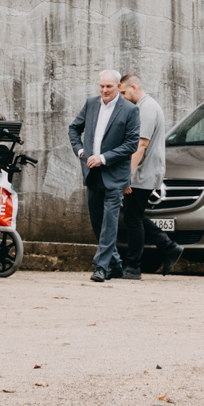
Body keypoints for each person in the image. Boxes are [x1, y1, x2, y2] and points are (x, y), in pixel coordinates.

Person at [67, 70, 139, 282]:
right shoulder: (91, 103)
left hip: (115, 174)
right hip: (92, 172)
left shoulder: (130, 110)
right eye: (102, 86)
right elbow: (74, 128)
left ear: (118, 87)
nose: (105, 90)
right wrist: (81, 152)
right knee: (97, 221)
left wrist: (104, 158)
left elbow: (131, 144)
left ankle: (101, 267)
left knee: (110, 221)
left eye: (109, 86)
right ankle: (115, 263)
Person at [116, 73, 181, 279]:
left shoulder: (147, 108)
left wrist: (128, 174)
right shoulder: (146, 106)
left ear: (134, 87)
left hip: (143, 172)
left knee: (133, 218)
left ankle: (134, 265)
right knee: (134, 215)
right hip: (144, 171)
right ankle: (167, 246)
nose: (123, 97)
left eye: (124, 92)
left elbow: (141, 145)